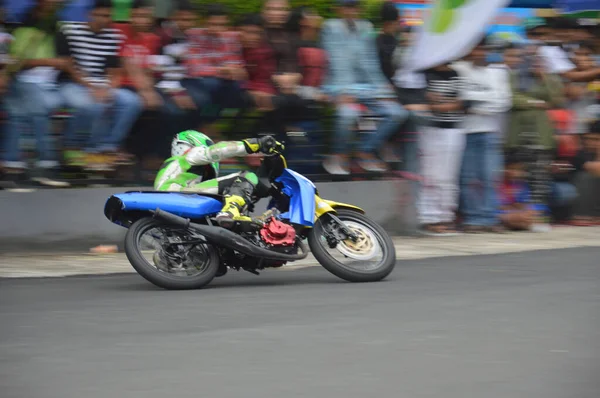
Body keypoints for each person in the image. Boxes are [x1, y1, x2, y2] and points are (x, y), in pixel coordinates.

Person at [320, 0, 408, 174]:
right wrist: (342, 92)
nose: (351, 10)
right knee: (348, 114)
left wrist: (383, 87)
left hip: (366, 87)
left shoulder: (366, 27)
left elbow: (370, 61)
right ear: (339, 9)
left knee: (397, 113)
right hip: (337, 85)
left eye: (354, 6)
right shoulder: (330, 27)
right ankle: (338, 155)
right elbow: (335, 60)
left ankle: (365, 151)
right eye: (347, 6)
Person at [154, 131, 284, 229]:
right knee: (245, 176)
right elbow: (218, 151)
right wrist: (256, 144)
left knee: (225, 196)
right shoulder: (190, 155)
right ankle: (229, 212)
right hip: (177, 193)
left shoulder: (182, 168)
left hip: (171, 198)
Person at [452, 36, 512, 233]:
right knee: (468, 177)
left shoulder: (498, 72)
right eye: (476, 49)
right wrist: (485, 100)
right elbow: (461, 99)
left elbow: (503, 103)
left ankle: (490, 217)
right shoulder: (459, 69)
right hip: (465, 130)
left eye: (483, 49)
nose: (479, 53)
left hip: (489, 131)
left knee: (489, 176)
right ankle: (473, 218)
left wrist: (475, 104)